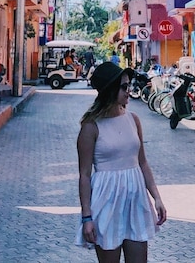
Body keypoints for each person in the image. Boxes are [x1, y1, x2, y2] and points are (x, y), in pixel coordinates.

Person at [76, 62, 166, 262]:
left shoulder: (133, 119)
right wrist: (87, 217)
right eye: (124, 86)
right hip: (106, 201)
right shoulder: (90, 128)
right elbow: (84, 175)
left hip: (135, 200)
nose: (129, 90)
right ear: (110, 90)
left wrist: (157, 198)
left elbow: (142, 162)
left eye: (129, 85)